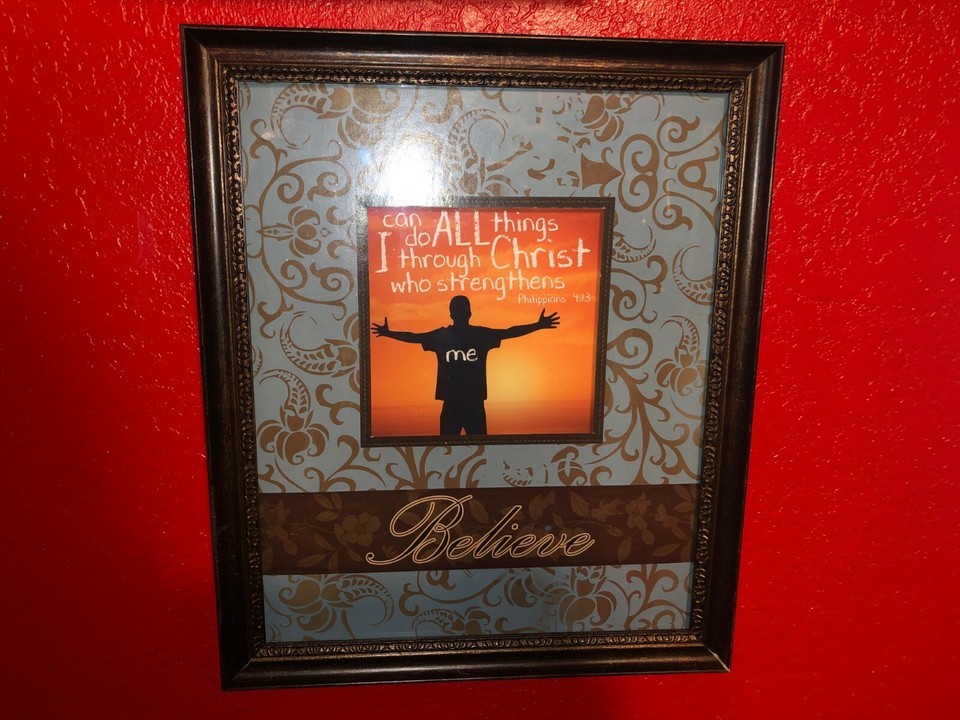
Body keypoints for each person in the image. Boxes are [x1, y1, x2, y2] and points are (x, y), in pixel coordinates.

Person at [371, 295, 559, 436]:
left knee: (450, 451)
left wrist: (389, 333)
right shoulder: (478, 335)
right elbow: (509, 332)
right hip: (471, 403)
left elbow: (414, 337)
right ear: (469, 313)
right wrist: (537, 325)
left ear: (451, 314)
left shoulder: (442, 337)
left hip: (456, 403)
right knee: (476, 450)